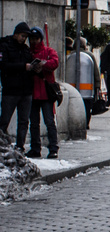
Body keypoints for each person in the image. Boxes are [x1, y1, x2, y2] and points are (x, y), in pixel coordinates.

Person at [0, 22, 33, 150]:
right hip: (11, 90)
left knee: (24, 121)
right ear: (16, 34)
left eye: (25, 37)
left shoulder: (25, 49)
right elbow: (3, 66)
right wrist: (23, 67)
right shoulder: (5, 46)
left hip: (26, 90)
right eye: (22, 36)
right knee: (5, 119)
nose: (23, 39)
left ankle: (20, 145)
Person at [26, 28, 58, 159]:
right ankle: (35, 148)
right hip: (32, 92)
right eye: (32, 39)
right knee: (33, 123)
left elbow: (55, 62)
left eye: (36, 39)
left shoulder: (49, 51)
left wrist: (43, 64)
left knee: (49, 121)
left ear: (41, 39)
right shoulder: (28, 52)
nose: (34, 41)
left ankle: (53, 147)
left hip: (46, 93)